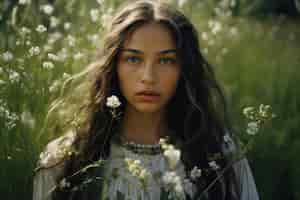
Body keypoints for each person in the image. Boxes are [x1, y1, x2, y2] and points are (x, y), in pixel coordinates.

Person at [32, 0, 260, 199]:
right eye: (133, 59)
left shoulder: (221, 155)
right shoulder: (63, 160)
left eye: (166, 61)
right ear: (113, 65)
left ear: (184, 69)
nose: (148, 78)